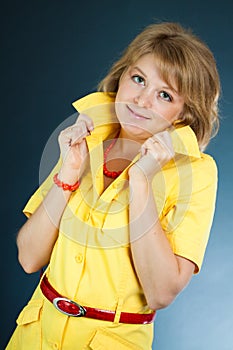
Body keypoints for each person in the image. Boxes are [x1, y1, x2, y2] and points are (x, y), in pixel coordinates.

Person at [6, 21, 220, 349]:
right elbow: (29, 258)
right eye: (138, 79)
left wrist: (141, 182)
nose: (142, 101)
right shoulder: (87, 137)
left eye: (164, 94)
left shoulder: (198, 173)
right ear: (121, 77)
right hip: (34, 336)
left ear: (183, 113)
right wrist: (70, 171)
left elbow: (161, 293)